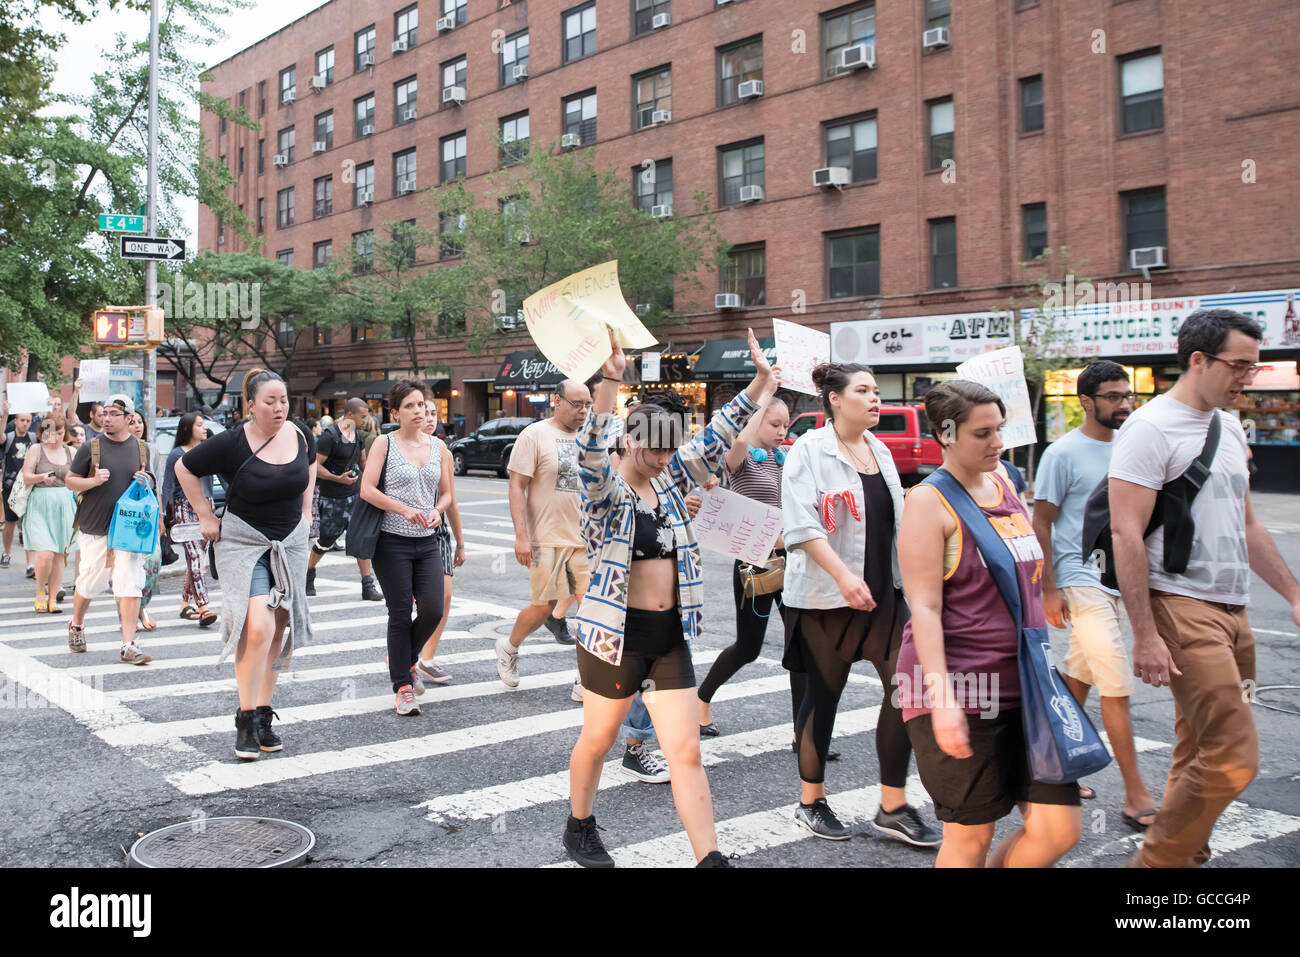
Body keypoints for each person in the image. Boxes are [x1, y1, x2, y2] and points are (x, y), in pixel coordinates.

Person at [562, 329, 774, 869]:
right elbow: (588, 453)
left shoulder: (673, 478)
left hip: (668, 638)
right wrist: (611, 379)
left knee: (685, 752)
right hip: (614, 639)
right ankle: (579, 825)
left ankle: (711, 858)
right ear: (630, 439)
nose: (662, 456)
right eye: (652, 445)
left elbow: (720, 433)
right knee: (600, 737)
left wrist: (762, 381)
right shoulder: (605, 493)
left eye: (669, 445)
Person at [1109, 309, 1300, 868]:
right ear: (1199, 360)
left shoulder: (1229, 425)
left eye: (1253, 367)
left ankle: (1184, 856)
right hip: (1182, 605)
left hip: (1234, 611)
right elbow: (1125, 533)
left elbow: (1247, 524)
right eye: (1239, 365)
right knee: (1234, 757)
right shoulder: (1149, 428)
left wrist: (1291, 591)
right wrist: (1144, 634)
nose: (1247, 377)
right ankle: (1155, 869)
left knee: (1198, 745)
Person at [897, 380, 1082, 867]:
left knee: (1058, 829)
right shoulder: (927, 503)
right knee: (970, 839)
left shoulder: (1005, 483)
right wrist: (942, 704)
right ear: (947, 434)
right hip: (962, 688)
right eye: (983, 433)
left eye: (999, 429)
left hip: (1026, 684)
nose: (997, 442)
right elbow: (926, 609)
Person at [780, 363, 939, 846]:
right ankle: (811, 800)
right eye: (863, 390)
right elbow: (801, 525)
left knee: (906, 690)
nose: (875, 398)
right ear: (834, 399)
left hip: (884, 596)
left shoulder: (880, 451)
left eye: (876, 390)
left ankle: (892, 804)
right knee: (823, 696)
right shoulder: (808, 451)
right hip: (828, 598)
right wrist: (843, 575)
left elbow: (894, 522)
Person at [1032, 360, 1158, 827]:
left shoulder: (1134, 449)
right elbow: (1040, 521)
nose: (1123, 404)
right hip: (1079, 579)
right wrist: (1049, 589)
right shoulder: (1062, 453)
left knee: (1080, 680)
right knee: (1116, 683)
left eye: (1127, 396)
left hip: (1122, 580)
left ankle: (1051, 767)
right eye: (1112, 396)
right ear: (1086, 401)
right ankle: (1135, 795)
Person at [176, 369, 316, 760]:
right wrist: (205, 515)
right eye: (269, 401)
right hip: (243, 542)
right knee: (257, 624)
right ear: (250, 404)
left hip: (289, 542)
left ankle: (263, 716)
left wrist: (306, 511)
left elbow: (310, 468)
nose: (279, 408)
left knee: (278, 625)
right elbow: (184, 468)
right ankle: (245, 714)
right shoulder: (232, 442)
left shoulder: (301, 433)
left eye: (283, 400)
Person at [697, 395, 791, 732]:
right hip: (754, 562)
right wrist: (762, 396)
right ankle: (702, 698)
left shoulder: (787, 458)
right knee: (748, 648)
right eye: (774, 424)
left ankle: (807, 733)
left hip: (790, 559)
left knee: (802, 647)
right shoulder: (741, 460)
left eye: (785, 424)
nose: (782, 431)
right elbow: (737, 440)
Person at [358, 379, 449, 715]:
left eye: (421, 404)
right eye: (409, 405)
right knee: (399, 613)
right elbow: (367, 489)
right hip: (391, 541)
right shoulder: (385, 443)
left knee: (433, 610)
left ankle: (405, 659)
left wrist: (437, 512)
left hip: (426, 541)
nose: (417, 410)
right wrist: (404, 509)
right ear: (395, 412)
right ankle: (403, 687)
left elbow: (448, 493)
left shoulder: (438, 447)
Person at [497, 379, 593, 684]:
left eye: (588, 404)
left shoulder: (592, 437)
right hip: (546, 538)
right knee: (544, 607)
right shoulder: (535, 435)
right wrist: (521, 536)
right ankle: (509, 647)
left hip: (586, 541)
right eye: (577, 404)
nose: (583, 410)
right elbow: (516, 487)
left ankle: (587, 678)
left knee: (592, 608)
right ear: (558, 401)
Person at [64, 395, 157, 665]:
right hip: (96, 526)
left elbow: (149, 478)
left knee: (130, 584)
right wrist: (92, 481)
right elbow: (70, 481)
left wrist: (147, 479)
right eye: (104, 413)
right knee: (91, 583)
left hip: (128, 529)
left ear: (129, 417)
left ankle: (128, 645)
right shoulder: (91, 447)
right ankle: (77, 624)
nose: (107, 418)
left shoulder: (141, 449)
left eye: (114, 413)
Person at [306, 397, 383, 602]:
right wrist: (335, 478)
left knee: (361, 538)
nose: (366, 420)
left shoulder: (358, 435)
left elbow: (364, 462)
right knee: (326, 539)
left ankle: (367, 585)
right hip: (332, 497)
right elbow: (315, 466)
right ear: (350, 415)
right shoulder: (329, 436)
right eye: (362, 416)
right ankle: (309, 573)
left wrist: (373, 483)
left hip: (355, 496)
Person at [414, 406, 465, 686]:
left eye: (434, 413)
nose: (430, 418)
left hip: (439, 532)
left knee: (443, 597)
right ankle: (405, 654)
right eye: (424, 412)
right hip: (405, 532)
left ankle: (427, 659)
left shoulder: (442, 450)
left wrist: (461, 542)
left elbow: (451, 500)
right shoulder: (396, 447)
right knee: (410, 601)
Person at [160, 412, 218, 628]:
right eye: (199, 425)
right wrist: (162, 516)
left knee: (198, 557)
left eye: (204, 425)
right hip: (184, 507)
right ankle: (203, 606)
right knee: (195, 556)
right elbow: (166, 485)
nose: (204, 428)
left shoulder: (209, 450)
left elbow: (223, 476)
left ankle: (185, 603)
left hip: (208, 505)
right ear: (187, 429)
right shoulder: (176, 454)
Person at [21, 414, 77, 613]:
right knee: (44, 554)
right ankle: (39, 591)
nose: (56, 437)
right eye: (51, 433)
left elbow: (78, 480)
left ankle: (53, 597)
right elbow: (26, 476)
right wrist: (40, 477)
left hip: (65, 506)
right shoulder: (36, 450)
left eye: (60, 433)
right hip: (40, 504)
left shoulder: (71, 451)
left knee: (60, 556)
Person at [126, 410, 164, 633]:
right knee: (128, 565)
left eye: (140, 422)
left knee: (153, 563)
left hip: (148, 514)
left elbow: (157, 484)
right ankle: (131, 613)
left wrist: (160, 517)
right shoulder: (120, 450)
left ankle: (141, 606)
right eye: (132, 422)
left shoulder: (152, 450)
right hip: (127, 516)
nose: (137, 426)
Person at [2, 405, 37, 575]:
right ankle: (7, 552)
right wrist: (5, 414)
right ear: (15, 421)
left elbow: (50, 435)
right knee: (9, 522)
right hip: (11, 485)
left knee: (27, 523)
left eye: (28, 420)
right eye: (22, 420)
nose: (25, 423)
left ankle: (30, 563)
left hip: (27, 485)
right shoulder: (9, 437)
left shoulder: (33, 438)